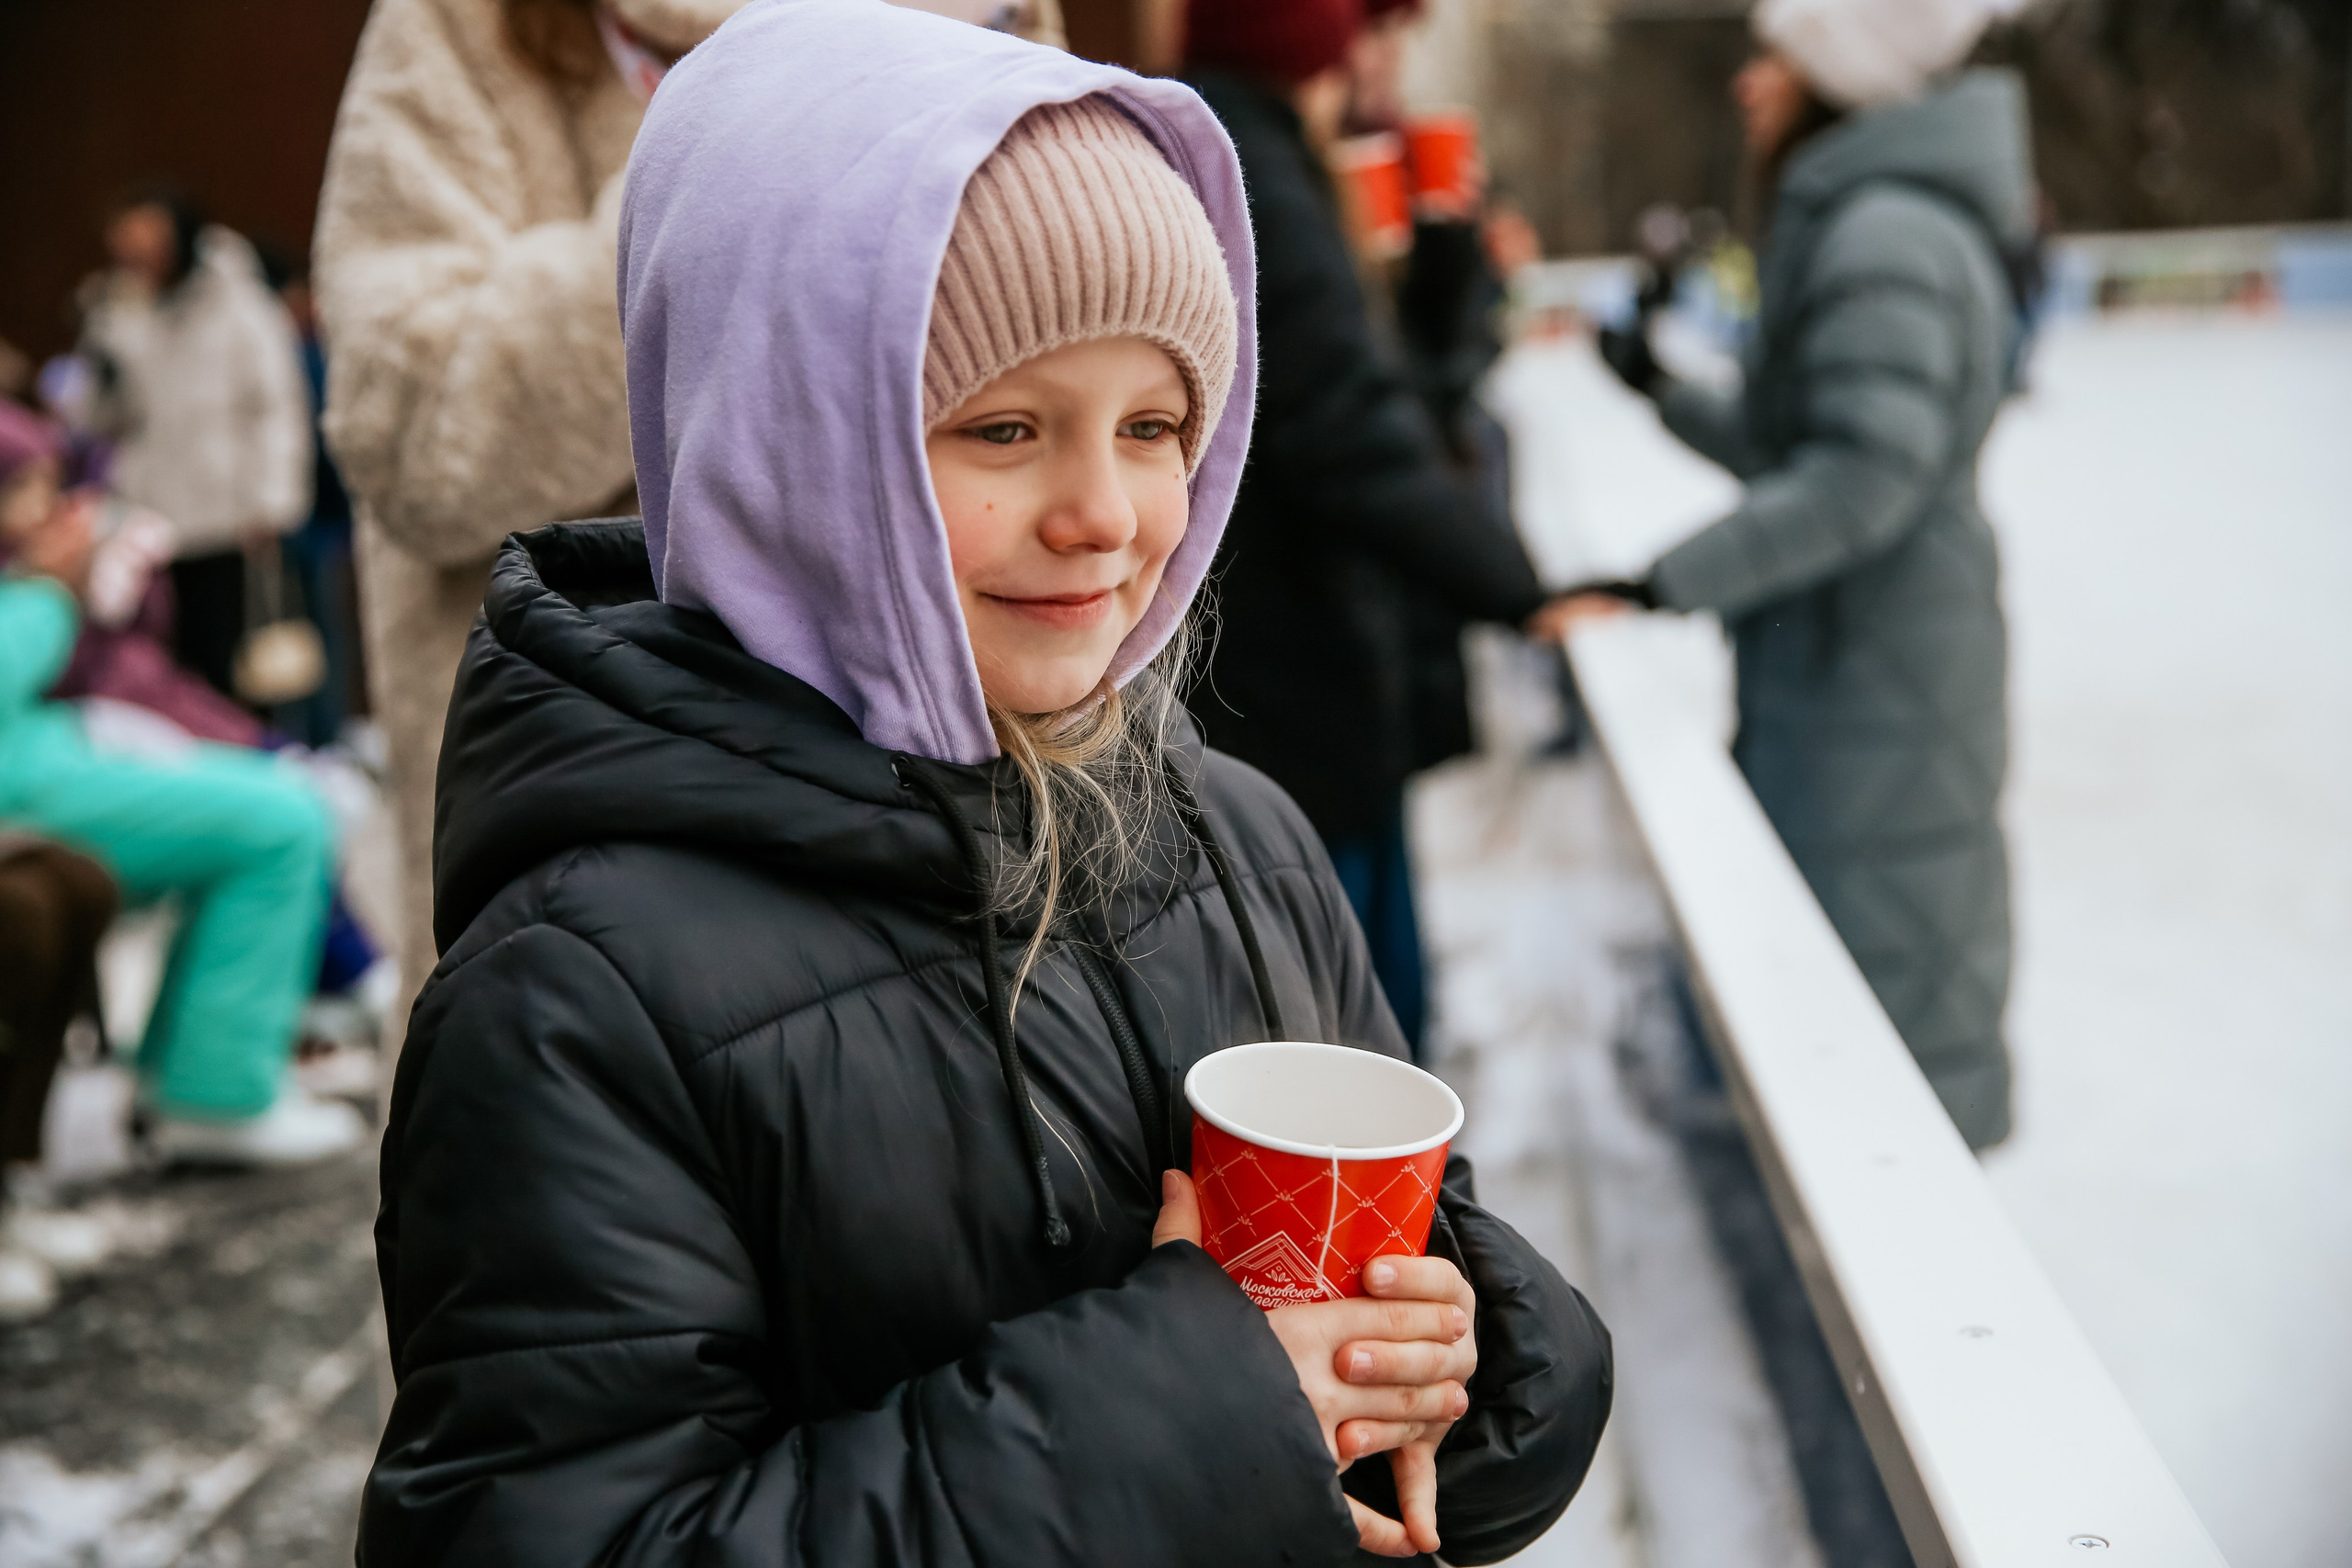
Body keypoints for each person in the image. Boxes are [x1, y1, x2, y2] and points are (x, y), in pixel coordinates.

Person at [363, 7, 1611, 1563]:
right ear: (792, 449)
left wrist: (1464, 1360)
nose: (1105, 512)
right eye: (1004, 428)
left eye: (1155, 425)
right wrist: (1202, 1410)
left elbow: (1407, 1350)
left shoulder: (1249, 845)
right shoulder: (582, 995)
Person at [313, 0, 1069, 1064]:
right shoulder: (465, 25)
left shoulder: (980, 12)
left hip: (952, 828)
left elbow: (1081, 377)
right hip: (587, 857)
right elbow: (410, 444)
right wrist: (739, 162)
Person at [1588, 0, 2030, 1148]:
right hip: (1859, 651)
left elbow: (1863, 475)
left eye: (1776, 56)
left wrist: (1662, 582)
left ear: (1842, 78)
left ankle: (1905, 1264)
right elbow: (1809, 441)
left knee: (1884, 950)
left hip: (1882, 669)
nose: (1748, 83)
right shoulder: (1867, 219)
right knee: (1854, 943)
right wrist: (1661, 385)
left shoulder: (1883, 232)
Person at [1180, 0, 1578, 1061]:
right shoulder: (1252, 168)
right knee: (1344, 1008)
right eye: (1372, 31)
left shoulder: (1295, 163)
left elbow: (1404, 393)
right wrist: (1515, 586)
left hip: (1308, 665)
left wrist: (1446, 271)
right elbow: (1347, 423)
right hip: (1287, 671)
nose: (1386, 61)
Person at [0, 403, 357, 1168]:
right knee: (282, 818)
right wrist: (51, 590)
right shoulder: (31, 584)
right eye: (24, 488)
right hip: (20, 779)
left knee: (282, 792)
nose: (44, 505)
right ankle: (214, 1091)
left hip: (41, 753)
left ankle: (187, 1076)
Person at [74, 191, 312, 704]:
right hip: (152, 516)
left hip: (227, 512)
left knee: (234, 658)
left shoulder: (241, 307)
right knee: (168, 660)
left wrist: (272, 502)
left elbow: (275, 405)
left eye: (148, 242)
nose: (138, 258)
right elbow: (101, 419)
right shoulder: (119, 312)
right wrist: (101, 356)